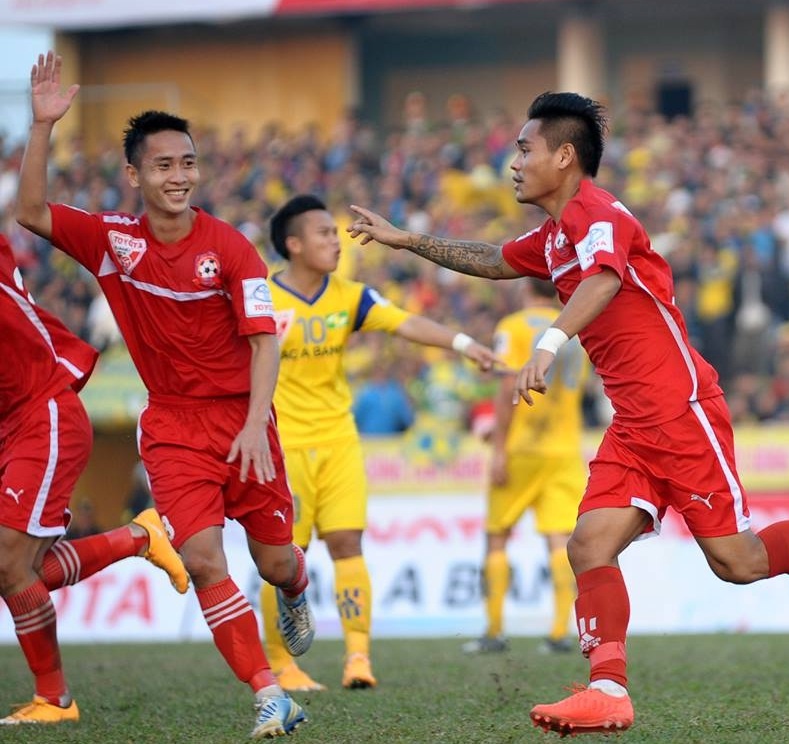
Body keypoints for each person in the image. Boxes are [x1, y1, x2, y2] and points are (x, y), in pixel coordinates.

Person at [348, 91, 789, 737]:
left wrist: (547, 345)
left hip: (680, 407)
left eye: (524, 149)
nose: (513, 163)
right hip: (633, 421)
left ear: (564, 155)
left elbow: (603, 280)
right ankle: (608, 690)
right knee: (589, 544)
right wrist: (407, 240)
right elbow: (493, 259)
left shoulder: (599, 213)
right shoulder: (553, 237)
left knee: (737, 563)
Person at [16, 51, 314, 739]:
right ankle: (268, 694)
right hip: (173, 428)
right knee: (206, 558)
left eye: (187, 163)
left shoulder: (232, 249)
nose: (178, 176)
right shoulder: (112, 241)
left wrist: (252, 422)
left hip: (244, 423)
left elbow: (264, 342)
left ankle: (297, 586)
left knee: (273, 562)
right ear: (134, 175)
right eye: (163, 165)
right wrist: (42, 128)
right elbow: (30, 210)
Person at [261, 194, 498, 692]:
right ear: (294, 244)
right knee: (284, 559)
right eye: (324, 233)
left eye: (335, 232)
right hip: (283, 447)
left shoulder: (351, 296)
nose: (336, 240)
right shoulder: (262, 298)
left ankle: (357, 658)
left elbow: (406, 323)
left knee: (348, 544)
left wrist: (462, 344)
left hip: (340, 440)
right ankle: (282, 665)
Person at [0, 232, 189, 725]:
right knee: (24, 574)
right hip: (16, 424)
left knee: (8, 562)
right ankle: (139, 536)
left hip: (42, 416)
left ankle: (55, 700)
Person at [461, 276, 586, 656]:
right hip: (564, 449)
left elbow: (505, 387)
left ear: (524, 289)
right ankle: (560, 632)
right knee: (560, 540)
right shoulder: (575, 330)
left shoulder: (512, 326)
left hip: (520, 449)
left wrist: (499, 448)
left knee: (498, 535)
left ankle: (495, 631)